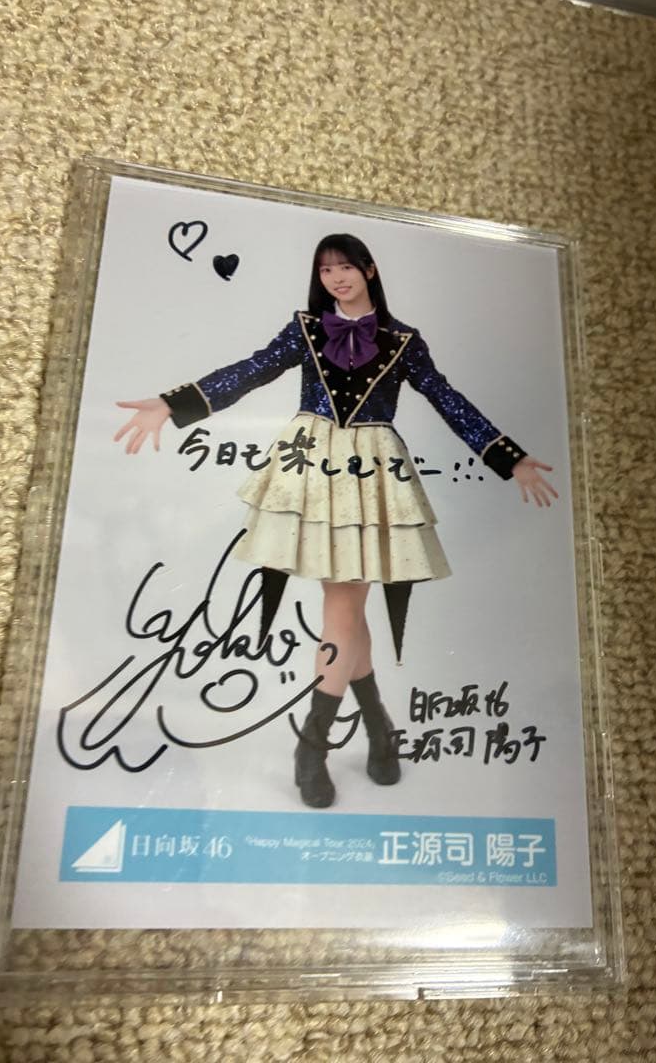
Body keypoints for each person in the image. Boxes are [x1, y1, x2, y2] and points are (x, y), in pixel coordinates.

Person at [115, 233, 557, 809]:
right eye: (326, 271)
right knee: (346, 612)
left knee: (343, 611)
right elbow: (251, 370)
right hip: (311, 467)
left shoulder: (403, 340)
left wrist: (507, 456)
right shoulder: (305, 328)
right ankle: (368, 729)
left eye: (345, 267)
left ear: (369, 270)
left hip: (370, 473)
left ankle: (318, 741)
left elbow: (447, 399)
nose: (336, 278)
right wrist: (174, 403)